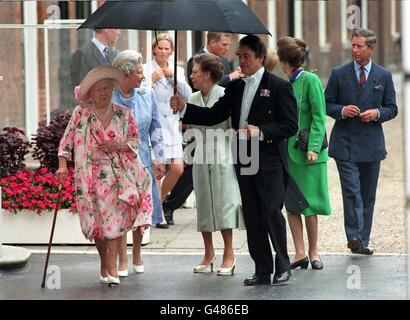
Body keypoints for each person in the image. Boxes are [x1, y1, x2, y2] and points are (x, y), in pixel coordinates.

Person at [171, 35, 302, 286]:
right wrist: (185, 108)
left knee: (271, 211)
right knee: (252, 215)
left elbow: (290, 126)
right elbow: (213, 115)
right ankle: (262, 269)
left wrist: (260, 131)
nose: (240, 60)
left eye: (246, 56)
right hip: (242, 157)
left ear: (260, 58)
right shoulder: (235, 86)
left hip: (270, 159)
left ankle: (282, 266)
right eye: (238, 55)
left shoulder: (279, 86)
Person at [57, 66, 153, 286]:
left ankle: (111, 265)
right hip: (87, 176)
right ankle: (104, 263)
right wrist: (62, 164)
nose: (103, 93)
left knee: (114, 222)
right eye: (99, 89)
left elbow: (135, 142)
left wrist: (117, 145)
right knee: (96, 224)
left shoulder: (123, 113)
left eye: (107, 88)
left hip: (117, 177)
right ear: (90, 92)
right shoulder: (81, 113)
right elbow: (67, 140)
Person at [325, 28, 398, 255]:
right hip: (345, 144)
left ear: (370, 48)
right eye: (353, 45)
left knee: (367, 195)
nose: (354, 50)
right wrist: (343, 110)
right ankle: (354, 236)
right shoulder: (338, 73)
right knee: (352, 192)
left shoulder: (384, 76)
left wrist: (377, 114)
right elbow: (326, 104)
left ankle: (363, 240)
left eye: (359, 46)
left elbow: (392, 108)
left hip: (372, 145)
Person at [163, 32, 244, 225]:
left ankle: (228, 248)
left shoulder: (224, 71)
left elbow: (220, 112)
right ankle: (171, 207)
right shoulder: (195, 65)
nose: (226, 48)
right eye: (223, 44)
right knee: (199, 193)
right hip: (198, 144)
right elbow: (192, 111)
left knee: (224, 201)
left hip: (221, 151)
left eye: (195, 73)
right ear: (212, 42)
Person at [277, 37, 331, 270]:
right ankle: (299, 252)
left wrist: (313, 147)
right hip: (288, 154)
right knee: (292, 204)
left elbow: (319, 116)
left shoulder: (311, 80)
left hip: (309, 153)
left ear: (284, 61)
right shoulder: (285, 83)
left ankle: (314, 251)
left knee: (310, 205)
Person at [112, 50, 166, 276]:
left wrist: (159, 157)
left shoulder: (147, 94)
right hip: (116, 161)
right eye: (139, 72)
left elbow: (155, 126)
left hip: (142, 157)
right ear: (125, 74)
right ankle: (122, 258)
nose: (143, 76)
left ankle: (137, 253)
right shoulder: (109, 97)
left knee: (141, 208)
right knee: (121, 208)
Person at [188, 53, 242, 275]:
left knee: (224, 203)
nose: (192, 76)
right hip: (200, 155)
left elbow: (235, 128)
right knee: (203, 203)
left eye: (195, 71)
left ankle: (229, 253)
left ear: (207, 74)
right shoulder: (192, 99)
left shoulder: (225, 95)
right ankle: (208, 252)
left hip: (222, 156)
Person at [143, 33, 192, 228]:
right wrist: (151, 80)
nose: (163, 51)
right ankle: (159, 213)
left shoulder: (177, 70)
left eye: (167, 48)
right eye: (160, 48)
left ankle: (156, 204)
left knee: (177, 169)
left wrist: (175, 79)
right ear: (154, 49)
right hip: (154, 128)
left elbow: (188, 95)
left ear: (171, 51)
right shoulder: (146, 69)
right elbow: (137, 93)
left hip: (171, 127)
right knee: (158, 172)